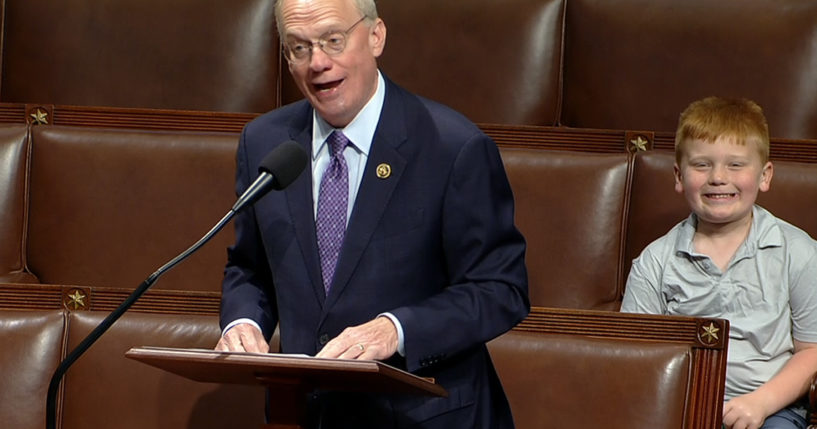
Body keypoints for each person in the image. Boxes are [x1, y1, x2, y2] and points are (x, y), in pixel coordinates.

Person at [215, 0, 530, 427]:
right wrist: (243, 320)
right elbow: (249, 267)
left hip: (422, 415)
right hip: (306, 413)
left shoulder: (451, 146)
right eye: (299, 48)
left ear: (376, 35)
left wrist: (395, 329)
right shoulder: (264, 143)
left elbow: (499, 289)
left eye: (333, 40)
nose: (318, 63)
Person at [621, 96, 817, 429]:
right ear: (679, 176)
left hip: (771, 408)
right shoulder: (654, 262)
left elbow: (812, 350)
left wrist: (760, 403)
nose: (718, 177)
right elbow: (634, 358)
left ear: (764, 176)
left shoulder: (798, 251)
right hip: (677, 407)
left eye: (736, 165)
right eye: (701, 164)